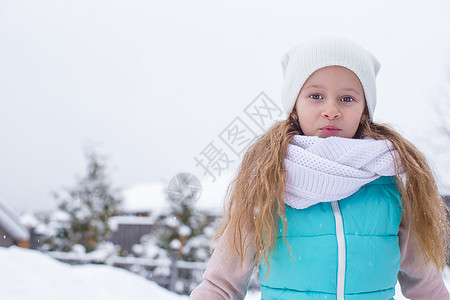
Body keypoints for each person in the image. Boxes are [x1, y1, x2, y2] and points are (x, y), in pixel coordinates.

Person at [189, 36, 450, 299]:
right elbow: (221, 286)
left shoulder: (389, 184)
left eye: (347, 98)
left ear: (364, 110)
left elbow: (426, 286)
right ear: (295, 105)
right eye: (316, 96)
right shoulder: (269, 182)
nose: (331, 110)